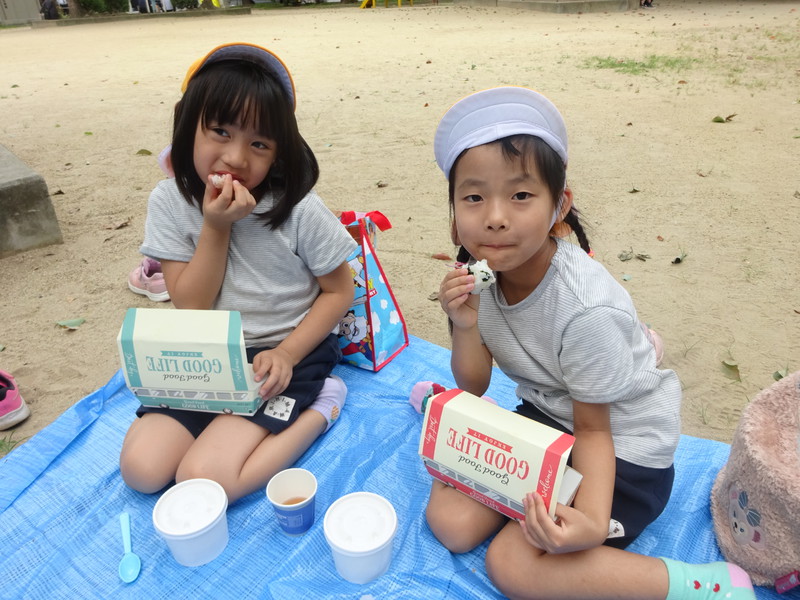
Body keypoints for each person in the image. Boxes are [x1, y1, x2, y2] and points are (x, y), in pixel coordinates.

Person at [423, 87, 755, 600]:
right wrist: (465, 325)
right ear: (453, 214)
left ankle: (703, 585)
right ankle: (631, 353)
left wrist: (593, 522)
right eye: (473, 197)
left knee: (511, 563)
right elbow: (475, 384)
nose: (495, 216)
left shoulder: (585, 310)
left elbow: (595, 430)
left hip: (621, 450)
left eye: (520, 195)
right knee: (451, 523)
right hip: (552, 419)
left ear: (559, 205)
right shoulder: (479, 278)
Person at [119, 43, 357, 504]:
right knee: (142, 470)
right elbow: (191, 305)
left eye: (259, 144)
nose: (235, 157)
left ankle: (322, 406)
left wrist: (287, 353)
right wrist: (216, 226)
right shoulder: (169, 202)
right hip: (206, 356)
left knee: (204, 480)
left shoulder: (299, 209)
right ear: (188, 125)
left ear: (279, 153)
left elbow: (338, 291)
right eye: (220, 131)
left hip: (286, 352)